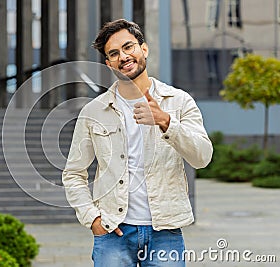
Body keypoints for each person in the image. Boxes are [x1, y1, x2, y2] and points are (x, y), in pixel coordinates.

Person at [62, 19, 213, 267]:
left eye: (128, 47)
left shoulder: (178, 101)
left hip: (166, 232)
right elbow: (73, 173)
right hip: (113, 233)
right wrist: (92, 219)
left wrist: (166, 122)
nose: (123, 56)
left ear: (144, 49)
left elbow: (203, 157)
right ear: (108, 63)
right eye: (114, 53)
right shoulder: (94, 111)